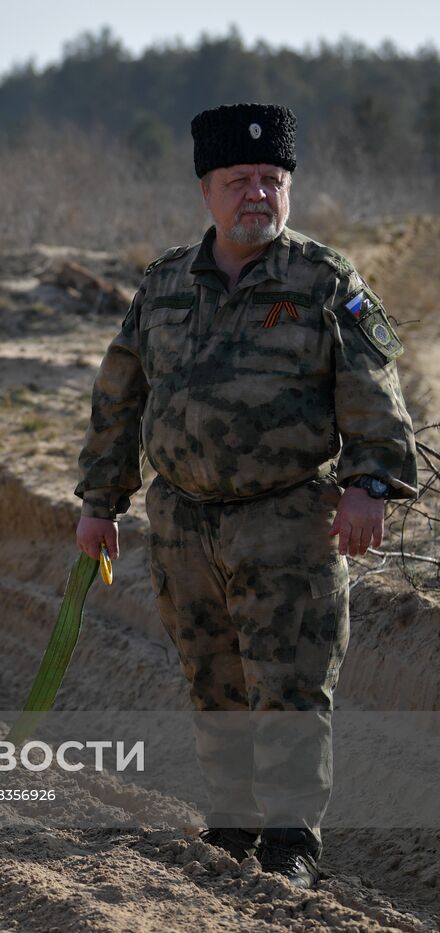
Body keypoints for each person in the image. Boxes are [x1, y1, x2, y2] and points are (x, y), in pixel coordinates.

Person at [72, 102, 418, 889]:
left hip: (289, 521)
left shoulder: (326, 282)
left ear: (288, 188)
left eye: (272, 179)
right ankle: (230, 824)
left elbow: (375, 388)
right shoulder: (163, 284)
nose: (257, 194)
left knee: (290, 687)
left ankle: (292, 841)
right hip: (183, 521)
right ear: (207, 192)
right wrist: (101, 499)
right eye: (240, 180)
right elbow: (117, 396)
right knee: (213, 678)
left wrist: (369, 483)